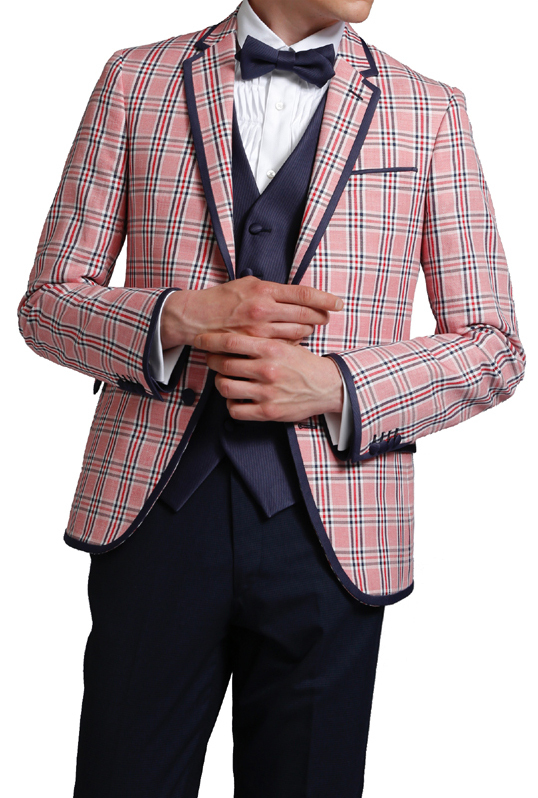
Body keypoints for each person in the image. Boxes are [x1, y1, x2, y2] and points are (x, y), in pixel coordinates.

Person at [17, 0, 525, 795]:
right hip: (153, 518)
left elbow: (494, 346)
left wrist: (339, 385)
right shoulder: (135, 80)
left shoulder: (429, 109)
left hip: (333, 536)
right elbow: (47, 305)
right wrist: (177, 317)